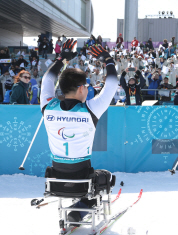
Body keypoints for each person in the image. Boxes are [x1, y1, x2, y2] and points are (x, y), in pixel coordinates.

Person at [40, 39, 118, 224]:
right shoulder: (91, 109)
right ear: (82, 88)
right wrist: (107, 58)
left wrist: (62, 58)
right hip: (84, 179)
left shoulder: (48, 107)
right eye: (87, 86)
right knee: (107, 176)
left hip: (56, 177)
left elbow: (47, 79)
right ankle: (81, 209)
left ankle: (78, 210)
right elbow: (113, 82)